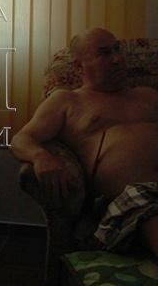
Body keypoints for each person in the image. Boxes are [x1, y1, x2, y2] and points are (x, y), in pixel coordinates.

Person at [10, 28, 158, 257]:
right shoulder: (67, 101)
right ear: (80, 67)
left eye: (117, 50)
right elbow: (21, 139)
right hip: (137, 200)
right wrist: (41, 157)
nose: (117, 59)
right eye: (105, 53)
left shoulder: (148, 95)